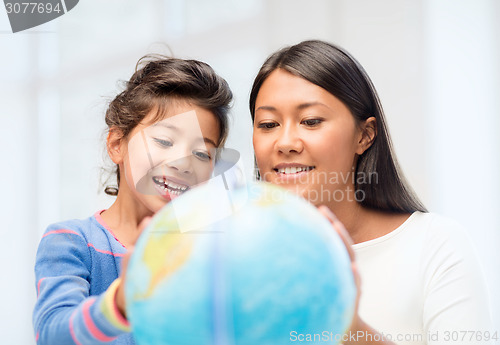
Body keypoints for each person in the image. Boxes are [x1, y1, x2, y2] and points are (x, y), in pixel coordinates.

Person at [250, 40, 494, 345]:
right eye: (268, 124)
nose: (285, 142)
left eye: (311, 121)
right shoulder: (239, 259)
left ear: (364, 136)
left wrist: (350, 328)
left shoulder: (434, 246)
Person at [33, 56, 233, 345]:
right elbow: (52, 334)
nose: (183, 163)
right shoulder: (71, 241)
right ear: (116, 145)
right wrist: (119, 303)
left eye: (202, 154)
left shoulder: (205, 254)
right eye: (165, 141)